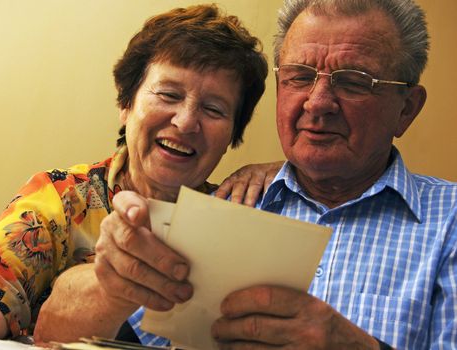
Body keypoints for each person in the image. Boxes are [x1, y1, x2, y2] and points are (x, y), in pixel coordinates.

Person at [96, 0, 457, 349]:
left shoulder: (449, 221)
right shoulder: (225, 209)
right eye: (300, 76)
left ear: (406, 109)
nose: (317, 102)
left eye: (353, 82)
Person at [0, 3, 277, 342]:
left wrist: (288, 169)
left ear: (232, 134)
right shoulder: (64, 198)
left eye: (213, 109)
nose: (186, 122)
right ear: (125, 105)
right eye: (169, 94)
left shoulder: (240, 217)